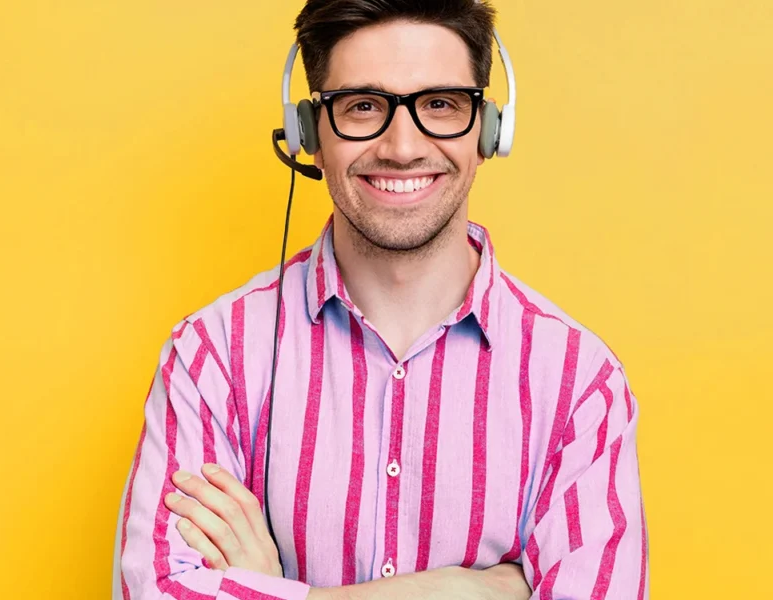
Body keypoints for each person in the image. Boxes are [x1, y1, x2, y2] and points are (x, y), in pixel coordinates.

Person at [113, 1, 649, 598]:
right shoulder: (212, 357)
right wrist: (464, 591)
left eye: (440, 105)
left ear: (490, 130)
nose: (402, 146)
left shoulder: (579, 384)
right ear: (308, 131)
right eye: (363, 106)